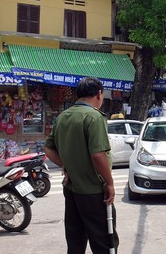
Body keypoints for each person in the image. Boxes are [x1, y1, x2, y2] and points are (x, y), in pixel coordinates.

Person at [44, 77, 119, 253]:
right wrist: (109, 183)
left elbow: (48, 149)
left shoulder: (63, 116)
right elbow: (98, 154)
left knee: (75, 240)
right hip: (93, 191)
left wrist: (68, 165)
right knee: (104, 242)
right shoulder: (93, 117)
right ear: (99, 94)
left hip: (71, 189)